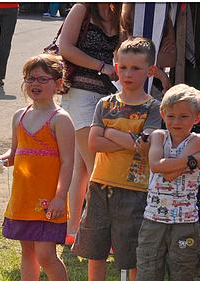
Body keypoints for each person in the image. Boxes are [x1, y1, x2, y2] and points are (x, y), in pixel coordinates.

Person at [71, 36, 161, 281]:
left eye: (135, 68)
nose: (128, 74)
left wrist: (111, 134)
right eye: (123, 67)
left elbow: (147, 148)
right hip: (99, 185)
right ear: (114, 67)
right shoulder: (104, 104)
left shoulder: (153, 109)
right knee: (95, 251)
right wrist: (129, 140)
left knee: (131, 254)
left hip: (135, 191)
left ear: (150, 71)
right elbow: (94, 142)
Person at [112, 84, 200, 281]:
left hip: (185, 222)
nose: (177, 122)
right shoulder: (157, 136)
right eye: (171, 115)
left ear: (196, 118)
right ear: (163, 114)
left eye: (184, 117)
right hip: (154, 219)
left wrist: (173, 166)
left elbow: (166, 169)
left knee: (182, 273)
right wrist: (191, 162)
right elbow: (157, 166)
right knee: (147, 271)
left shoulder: (198, 141)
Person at [0, 54, 75, 281]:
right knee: (27, 252)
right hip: (23, 198)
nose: (34, 84)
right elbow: (15, 152)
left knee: (46, 254)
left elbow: (68, 162)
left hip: (49, 200)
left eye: (42, 79)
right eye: (30, 79)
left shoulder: (61, 119)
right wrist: (0, 160)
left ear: (58, 83)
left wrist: (61, 196)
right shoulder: (19, 116)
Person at [58, 3, 123, 243]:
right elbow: (65, 47)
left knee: (82, 169)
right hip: (79, 95)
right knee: (98, 167)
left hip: (106, 98)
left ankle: (72, 231)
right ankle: (99, 233)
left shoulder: (119, 13)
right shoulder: (82, 9)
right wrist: (102, 66)